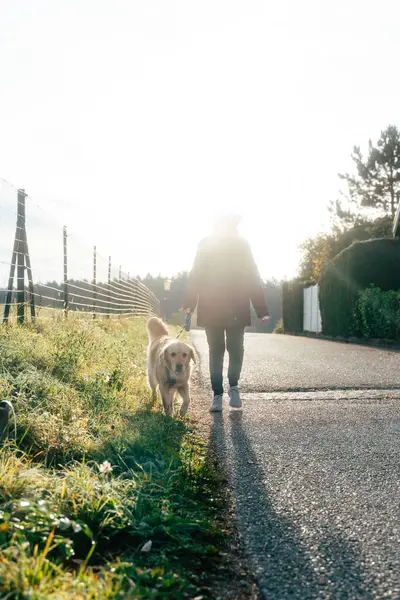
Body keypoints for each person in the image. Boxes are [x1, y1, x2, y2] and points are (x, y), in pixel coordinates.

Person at [183, 212, 269, 412]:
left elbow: (252, 275)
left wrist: (261, 309)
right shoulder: (205, 244)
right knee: (216, 350)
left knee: (236, 348)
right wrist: (189, 303)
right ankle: (217, 395)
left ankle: (234, 387)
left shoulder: (242, 245)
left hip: (236, 305)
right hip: (211, 306)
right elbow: (196, 274)